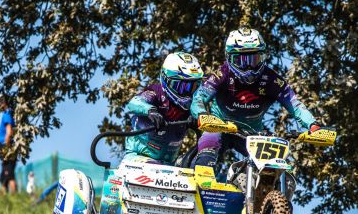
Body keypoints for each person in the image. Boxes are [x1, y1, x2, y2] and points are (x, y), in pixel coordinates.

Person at [191, 27, 320, 168]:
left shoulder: (272, 80)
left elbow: (295, 105)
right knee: (210, 138)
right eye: (241, 60)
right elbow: (199, 97)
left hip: (252, 133)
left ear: (263, 57)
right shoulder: (222, 74)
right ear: (229, 58)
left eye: (254, 59)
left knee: (273, 163)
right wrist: (202, 115)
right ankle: (202, 174)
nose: (249, 68)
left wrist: (313, 125)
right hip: (220, 125)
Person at [123, 52, 204, 166]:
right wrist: (151, 111)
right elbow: (134, 102)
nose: (188, 93)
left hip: (169, 165)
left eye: (193, 87)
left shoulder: (192, 107)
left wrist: (198, 121)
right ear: (167, 80)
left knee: (201, 165)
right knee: (154, 167)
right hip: (138, 159)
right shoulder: (155, 92)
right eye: (182, 87)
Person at [0, 98, 17, 193]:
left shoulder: (6, 114)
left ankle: (14, 196)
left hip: (6, 146)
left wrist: (6, 149)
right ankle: (5, 197)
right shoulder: (11, 114)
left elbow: (9, 132)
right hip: (9, 146)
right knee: (5, 175)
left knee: (8, 174)